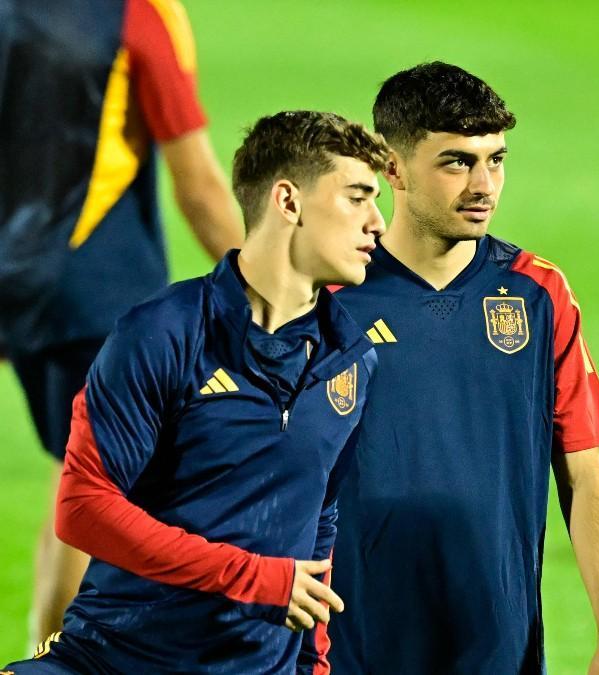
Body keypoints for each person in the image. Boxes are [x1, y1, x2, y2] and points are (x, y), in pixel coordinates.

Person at [3, 110, 390, 673]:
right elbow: (83, 508)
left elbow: (319, 523)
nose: (378, 221)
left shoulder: (351, 360)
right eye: (357, 197)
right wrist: (253, 578)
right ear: (289, 202)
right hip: (115, 658)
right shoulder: (162, 332)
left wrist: (312, 663)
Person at [327, 62, 599, 674]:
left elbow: (583, 469)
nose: (483, 185)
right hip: (355, 645)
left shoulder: (536, 292)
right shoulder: (331, 297)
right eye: (456, 162)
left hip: (497, 644)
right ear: (393, 168)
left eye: (496, 159)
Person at [0, 0, 244, 647]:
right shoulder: (139, 14)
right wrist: (276, 293)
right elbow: (197, 183)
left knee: (73, 470)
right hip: (93, 284)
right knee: (101, 489)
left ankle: (43, 649)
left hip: (15, 269)